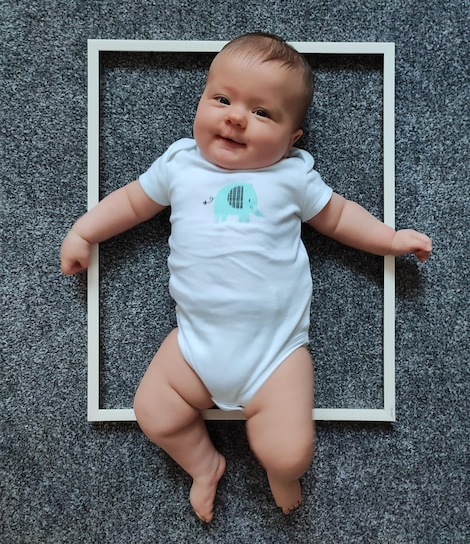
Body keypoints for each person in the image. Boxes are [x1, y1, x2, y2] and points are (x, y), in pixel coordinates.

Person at [60, 32, 432, 522]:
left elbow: (339, 218)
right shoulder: (180, 166)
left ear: (292, 138)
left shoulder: (292, 177)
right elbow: (130, 202)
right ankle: (204, 464)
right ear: (200, 101)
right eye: (222, 99)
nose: (236, 117)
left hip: (275, 354)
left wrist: (389, 239)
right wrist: (85, 231)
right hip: (194, 346)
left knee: (288, 452)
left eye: (263, 113)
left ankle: (281, 472)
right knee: (154, 411)